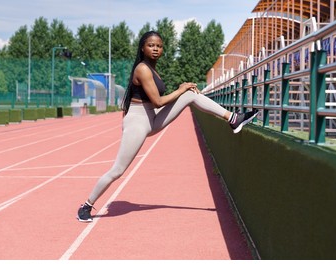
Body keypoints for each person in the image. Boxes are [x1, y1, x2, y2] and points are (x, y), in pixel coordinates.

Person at [77, 31, 258, 222]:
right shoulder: (143, 69)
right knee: (118, 170)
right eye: (151, 45)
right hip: (138, 123)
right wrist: (180, 89)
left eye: (159, 46)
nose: (156, 49)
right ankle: (86, 206)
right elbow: (157, 101)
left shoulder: (152, 68)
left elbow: (156, 103)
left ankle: (233, 118)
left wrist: (183, 91)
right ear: (142, 48)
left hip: (151, 118)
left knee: (191, 94)